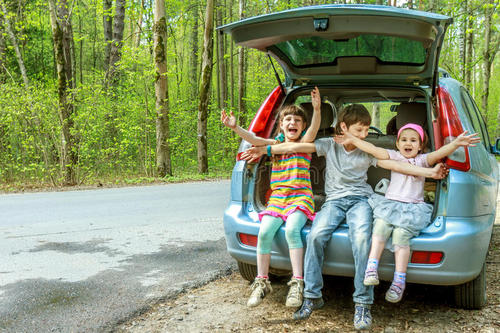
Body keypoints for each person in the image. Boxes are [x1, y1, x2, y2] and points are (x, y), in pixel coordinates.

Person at [243, 105, 447, 330]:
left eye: (366, 130)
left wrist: (429, 172)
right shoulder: (329, 145)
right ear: (343, 127)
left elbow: (394, 164)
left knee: (360, 240)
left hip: (361, 200)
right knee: (316, 236)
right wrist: (265, 150)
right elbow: (300, 146)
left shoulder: (368, 150)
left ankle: (362, 303)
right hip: (333, 201)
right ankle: (312, 297)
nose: (364, 135)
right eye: (359, 130)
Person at [335, 122, 480, 304]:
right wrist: (352, 139)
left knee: (401, 237)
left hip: (412, 209)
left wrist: (457, 143)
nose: (408, 143)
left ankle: (399, 281)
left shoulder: (423, 160)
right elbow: (371, 148)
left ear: (420, 145)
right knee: (380, 228)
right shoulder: (394, 156)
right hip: (390, 205)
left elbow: (440, 153)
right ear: (397, 144)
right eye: (403, 140)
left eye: (413, 140)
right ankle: (371, 267)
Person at [221, 87, 322, 308]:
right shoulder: (275, 145)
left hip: (300, 197)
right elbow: (253, 139)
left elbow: (314, 128)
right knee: (265, 232)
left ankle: (297, 282)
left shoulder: (304, 145)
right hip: (278, 198)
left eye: (297, 120)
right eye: (288, 119)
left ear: (302, 126)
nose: (293, 122)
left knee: (294, 231)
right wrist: (235, 127)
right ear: (281, 125)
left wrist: (316, 109)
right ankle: (262, 281)